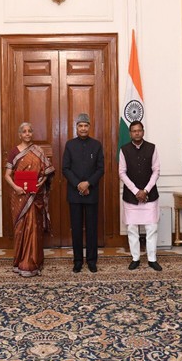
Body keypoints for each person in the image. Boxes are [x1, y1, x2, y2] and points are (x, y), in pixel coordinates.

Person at [4, 122, 55, 277]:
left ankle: (33, 263)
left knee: (34, 228)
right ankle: (19, 262)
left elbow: (48, 171)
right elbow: (7, 175)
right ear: (20, 134)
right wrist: (16, 188)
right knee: (20, 230)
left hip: (34, 195)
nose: (27, 134)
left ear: (32, 133)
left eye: (29, 131)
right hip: (19, 196)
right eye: (24, 132)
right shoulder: (14, 152)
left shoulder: (38, 151)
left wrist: (41, 181)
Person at [62, 113, 105, 273]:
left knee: (92, 228)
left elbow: (101, 169)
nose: (83, 128)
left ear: (89, 127)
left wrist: (88, 183)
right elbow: (65, 168)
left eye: (86, 125)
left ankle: (92, 261)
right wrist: (78, 184)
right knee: (77, 228)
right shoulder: (70, 145)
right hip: (74, 194)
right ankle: (78, 261)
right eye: (80, 126)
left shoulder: (96, 145)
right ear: (76, 128)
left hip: (91, 193)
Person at [119, 121, 162, 271]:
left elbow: (156, 170)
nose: (136, 133)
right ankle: (135, 258)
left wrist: (146, 190)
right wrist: (136, 191)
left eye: (139, 130)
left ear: (143, 132)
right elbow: (121, 172)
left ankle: (152, 259)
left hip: (149, 195)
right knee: (132, 228)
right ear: (130, 133)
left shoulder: (152, 148)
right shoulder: (124, 150)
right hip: (131, 196)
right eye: (134, 131)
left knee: (151, 228)